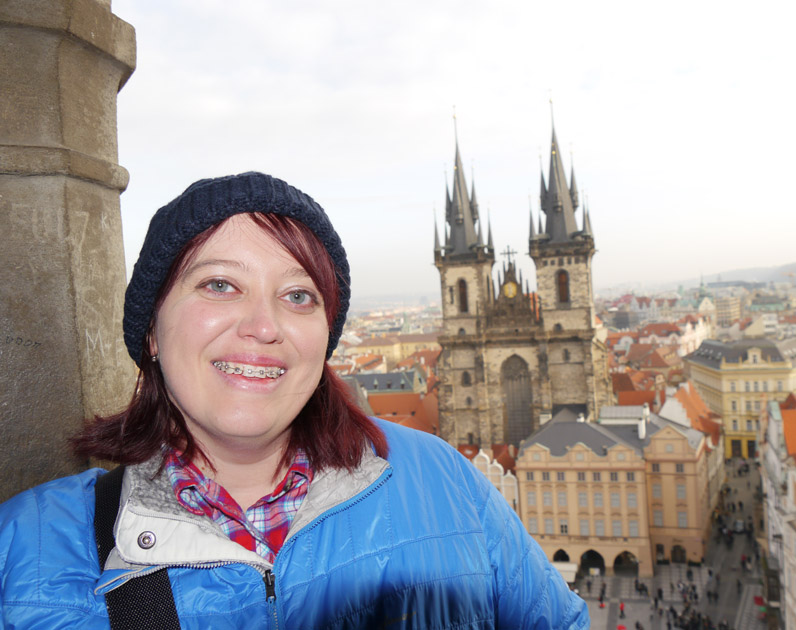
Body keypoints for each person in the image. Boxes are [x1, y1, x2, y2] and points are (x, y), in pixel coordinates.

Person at [0, 173, 589, 628]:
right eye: (220, 284)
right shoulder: (22, 544)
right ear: (151, 330)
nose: (263, 325)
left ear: (325, 338)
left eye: (298, 295)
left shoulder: (444, 481)